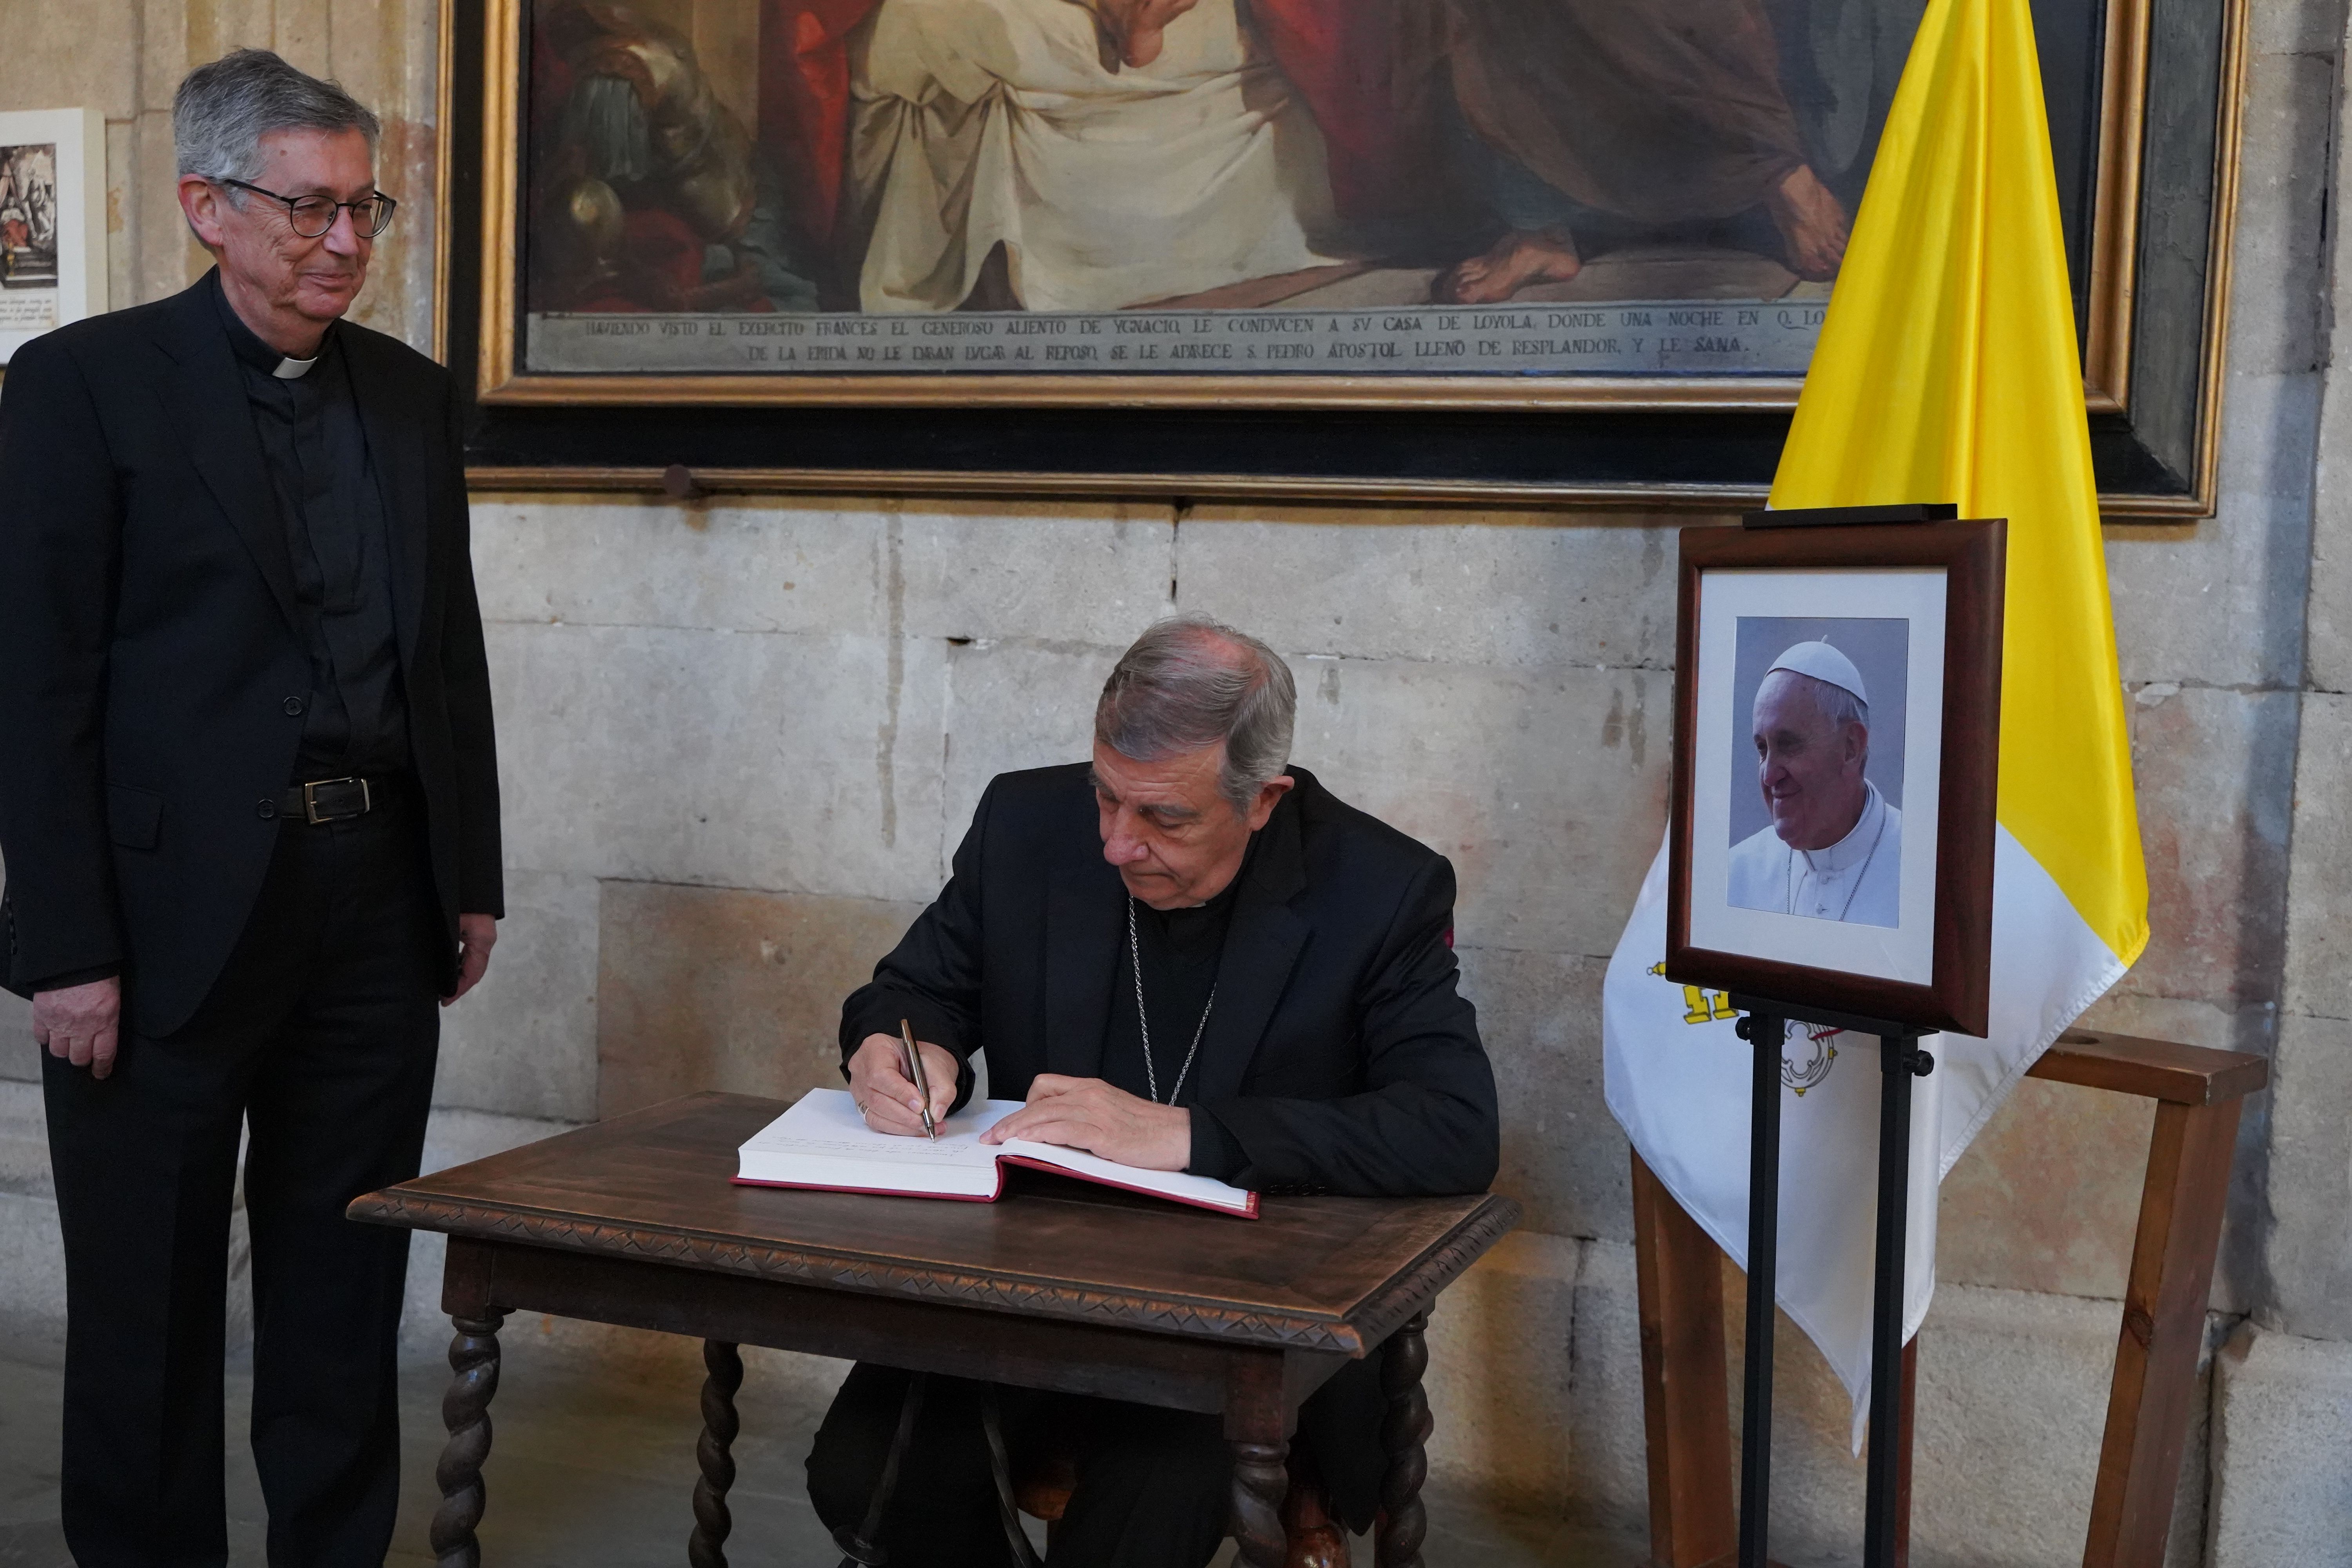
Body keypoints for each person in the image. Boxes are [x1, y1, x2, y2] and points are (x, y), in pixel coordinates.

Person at [0, 49, 503, 1567]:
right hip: (159, 922)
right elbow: (37, 683)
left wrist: (466, 871)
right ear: (205, 206)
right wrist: (63, 946)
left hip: (371, 894)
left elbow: (447, 649)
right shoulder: (80, 386)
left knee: (341, 1270)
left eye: (366, 209)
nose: (345, 243)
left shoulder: (409, 397)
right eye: (309, 210)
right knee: (146, 1284)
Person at [807, 616, 1498, 1567]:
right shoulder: (1026, 823)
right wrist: (894, 1043)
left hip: (1241, 1318)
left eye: (1165, 818)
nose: (1116, 846)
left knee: (1142, 1513)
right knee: (862, 1472)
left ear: (1263, 800)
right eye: (1106, 799)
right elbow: (917, 985)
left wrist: (1189, 1134)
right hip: (1027, 1284)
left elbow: (1453, 1127)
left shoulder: (1379, 889)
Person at [1725, 640, 1901, 926]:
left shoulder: (1925, 874)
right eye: (1762, 749)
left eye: (1789, 745)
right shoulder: (1736, 875)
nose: (1769, 776)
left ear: (1850, 747)